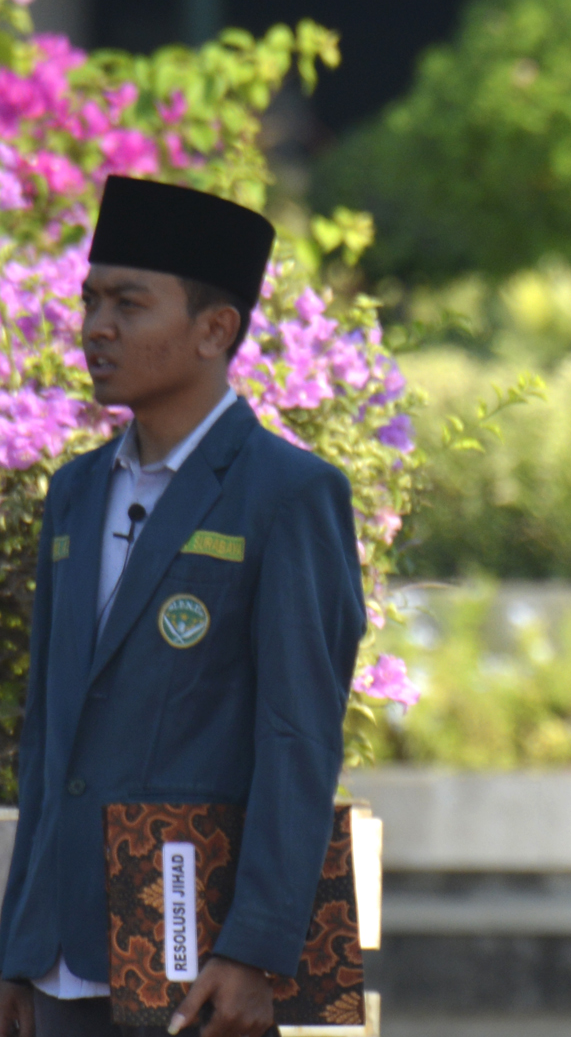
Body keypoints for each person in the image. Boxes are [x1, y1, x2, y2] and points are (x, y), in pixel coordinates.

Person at [0, 176, 367, 1037]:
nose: (96, 327)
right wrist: (17, 946)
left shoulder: (290, 492)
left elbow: (299, 738)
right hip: (59, 957)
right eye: (91, 300)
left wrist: (258, 950)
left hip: (194, 956)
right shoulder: (75, 491)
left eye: (130, 304)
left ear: (215, 329)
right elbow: (49, 732)